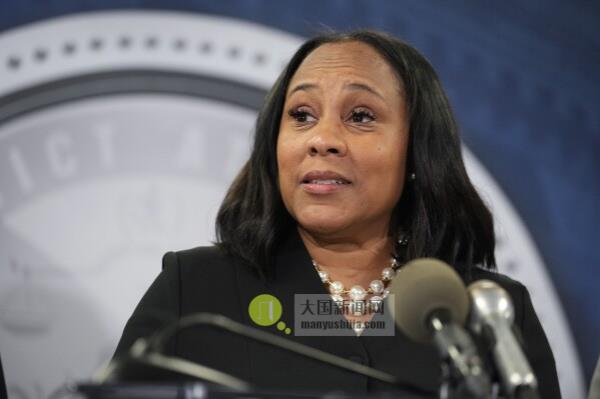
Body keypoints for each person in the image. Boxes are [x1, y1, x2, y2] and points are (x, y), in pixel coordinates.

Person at [113, 30, 560, 398]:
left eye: (361, 116)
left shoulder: (490, 312)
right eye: (301, 115)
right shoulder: (193, 290)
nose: (322, 139)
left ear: (417, 152)